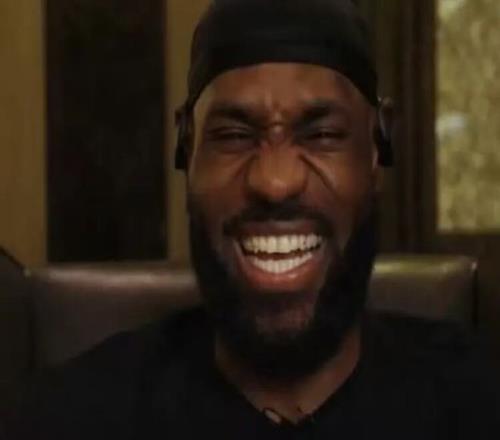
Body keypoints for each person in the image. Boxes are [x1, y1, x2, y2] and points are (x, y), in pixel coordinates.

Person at [2, 0, 500, 438]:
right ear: (186, 146)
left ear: (376, 149)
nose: (275, 182)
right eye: (234, 136)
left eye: (322, 135)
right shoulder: (70, 419)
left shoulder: (479, 404)